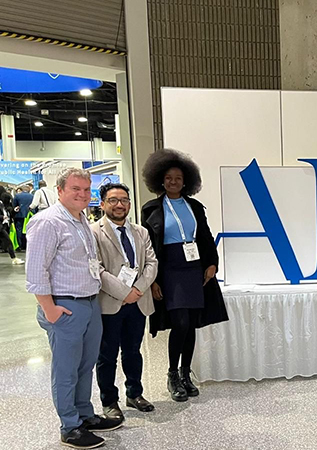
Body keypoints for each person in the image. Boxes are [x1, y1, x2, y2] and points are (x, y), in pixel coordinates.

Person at [26, 168, 123, 449]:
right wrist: (50, 309)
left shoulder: (81, 219)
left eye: (86, 189)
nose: (82, 194)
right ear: (60, 191)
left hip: (90, 304)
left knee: (85, 366)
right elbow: (35, 272)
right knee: (66, 370)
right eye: (75, 189)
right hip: (65, 306)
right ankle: (69, 426)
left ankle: (84, 414)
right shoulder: (48, 222)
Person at [141, 148, 228, 402]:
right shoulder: (152, 209)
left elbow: (205, 238)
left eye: (178, 178)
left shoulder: (195, 207)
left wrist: (212, 263)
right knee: (179, 322)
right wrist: (153, 280)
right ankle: (171, 375)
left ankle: (185, 373)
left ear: (186, 181)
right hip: (169, 269)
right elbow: (148, 247)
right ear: (160, 179)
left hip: (194, 269)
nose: (173, 182)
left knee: (191, 324)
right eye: (168, 178)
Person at [92, 183, 159, 420]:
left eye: (124, 200)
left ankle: (134, 393)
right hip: (110, 304)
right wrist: (124, 293)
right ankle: (109, 401)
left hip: (138, 302)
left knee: (133, 351)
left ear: (130, 204)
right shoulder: (93, 232)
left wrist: (138, 290)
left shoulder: (141, 232)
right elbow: (97, 270)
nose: (119, 205)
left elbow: (152, 264)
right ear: (102, 204)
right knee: (107, 354)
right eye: (113, 200)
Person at [0, 199, 24, 264]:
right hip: (1, 226)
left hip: (2, 226)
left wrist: (14, 211)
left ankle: (14, 258)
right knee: (8, 241)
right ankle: (14, 259)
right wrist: (2, 217)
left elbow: (7, 212)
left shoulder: (1, 203)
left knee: (8, 241)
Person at [12, 184, 33, 251]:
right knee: (29, 230)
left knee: (19, 230)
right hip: (29, 215)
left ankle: (20, 246)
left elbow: (14, 205)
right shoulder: (32, 196)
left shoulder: (17, 196)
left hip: (19, 215)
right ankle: (27, 245)